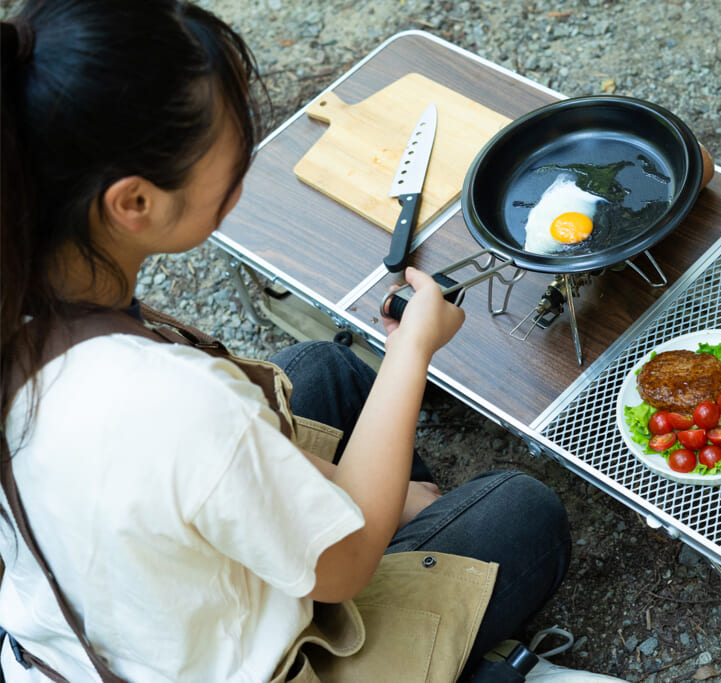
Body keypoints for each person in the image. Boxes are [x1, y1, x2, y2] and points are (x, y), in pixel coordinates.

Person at [0, 1, 576, 680]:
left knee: (322, 369)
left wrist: (380, 495)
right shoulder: (170, 403)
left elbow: (208, 457)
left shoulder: (26, 291)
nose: (248, 146)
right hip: (244, 661)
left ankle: (404, 516)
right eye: (229, 137)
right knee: (523, 513)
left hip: (120, 620)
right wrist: (411, 353)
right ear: (134, 203)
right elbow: (347, 564)